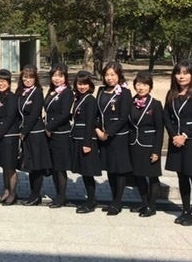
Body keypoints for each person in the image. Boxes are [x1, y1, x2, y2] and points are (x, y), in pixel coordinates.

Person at [164, 60, 192, 226]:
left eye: (185, 73)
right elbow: (166, 116)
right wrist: (174, 135)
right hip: (176, 141)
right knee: (181, 176)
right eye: (178, 73)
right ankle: (185, 209)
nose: (181, 76)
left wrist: (184, 135)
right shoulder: (171, 94)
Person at [95, 61, 132, 216]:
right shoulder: (101, 90)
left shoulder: (125, 92)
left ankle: (117, 202)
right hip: (103, 136)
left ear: (119, 75)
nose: (109, 78)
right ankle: (113, 199)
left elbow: (124, 117)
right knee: (110, 168)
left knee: (119, 169)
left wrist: (108, 133)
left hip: (118, 137)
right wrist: (98, 129)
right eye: (107, 75)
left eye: (113, 74)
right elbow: (97, 113)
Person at [129, 70, 164, 218]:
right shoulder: (130, 102)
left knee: (152, 176)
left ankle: (152, 205)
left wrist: (156, 150)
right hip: (134, 144)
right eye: (138, 84)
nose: (141, 87)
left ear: (150, 87)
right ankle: (144, 203)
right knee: (138, 175)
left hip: (149, 145)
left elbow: (160, 129)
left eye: (145, 84)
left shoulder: (155, 104)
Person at [16, 65, 51, 206]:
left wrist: (23, 132)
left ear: (35, 79)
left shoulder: (37, 92)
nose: (27, 80)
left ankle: (36, 195)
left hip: (35, 133)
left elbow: (35, 114)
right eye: (25, 77)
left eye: (30, 77)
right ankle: (33, 193)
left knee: (37, 166)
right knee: (30, 165)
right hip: (25, 133)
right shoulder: (21, 92)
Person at [70, 71, 101, 214]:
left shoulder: (90, 100)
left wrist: (87, 143)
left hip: (86, 139)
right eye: (79, 84)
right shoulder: (79, 98)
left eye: (85, 84)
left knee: (88, 172)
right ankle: (90, 199)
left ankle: (91, 200)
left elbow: (90, 122)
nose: (82, 87)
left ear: (90, 85)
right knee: (84, 171)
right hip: (78, 137)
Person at [44, 63, 74, 208]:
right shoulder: (52, 91)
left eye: (60, 76)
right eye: (54, 76)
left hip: (60, 134)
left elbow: (64, 114)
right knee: (55, 167)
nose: (57, 79)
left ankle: (61, 197)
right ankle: (58, 194)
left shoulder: (67, 92)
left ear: (65, 78)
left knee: (60, 167)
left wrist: (49, 127)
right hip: (51, 134)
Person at [0, 69, 20, 206]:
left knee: (10, 166)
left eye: (4, 81)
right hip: (0, 136)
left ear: (9, 83)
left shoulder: (12, 97)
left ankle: (13, 194)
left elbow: (10, 118)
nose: (1, 84)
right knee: (4, 165)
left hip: (9, 136)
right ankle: (6, 191)